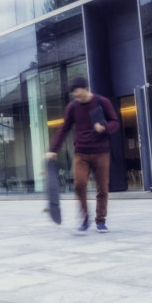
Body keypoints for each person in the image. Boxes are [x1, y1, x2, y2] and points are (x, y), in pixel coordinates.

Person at [46, 76, 120, 232]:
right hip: (81, 153)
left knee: (102, 188)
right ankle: (85, 218)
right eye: (75, 96)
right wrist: (53, 149)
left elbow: (115, 122)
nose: (77, 98)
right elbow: (64, 129)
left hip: (101, 152)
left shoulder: (102, 102)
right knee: (79, 185)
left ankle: (100, 220)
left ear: (87, 89)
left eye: (79, 95)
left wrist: (105, 127)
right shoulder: (72, 107)